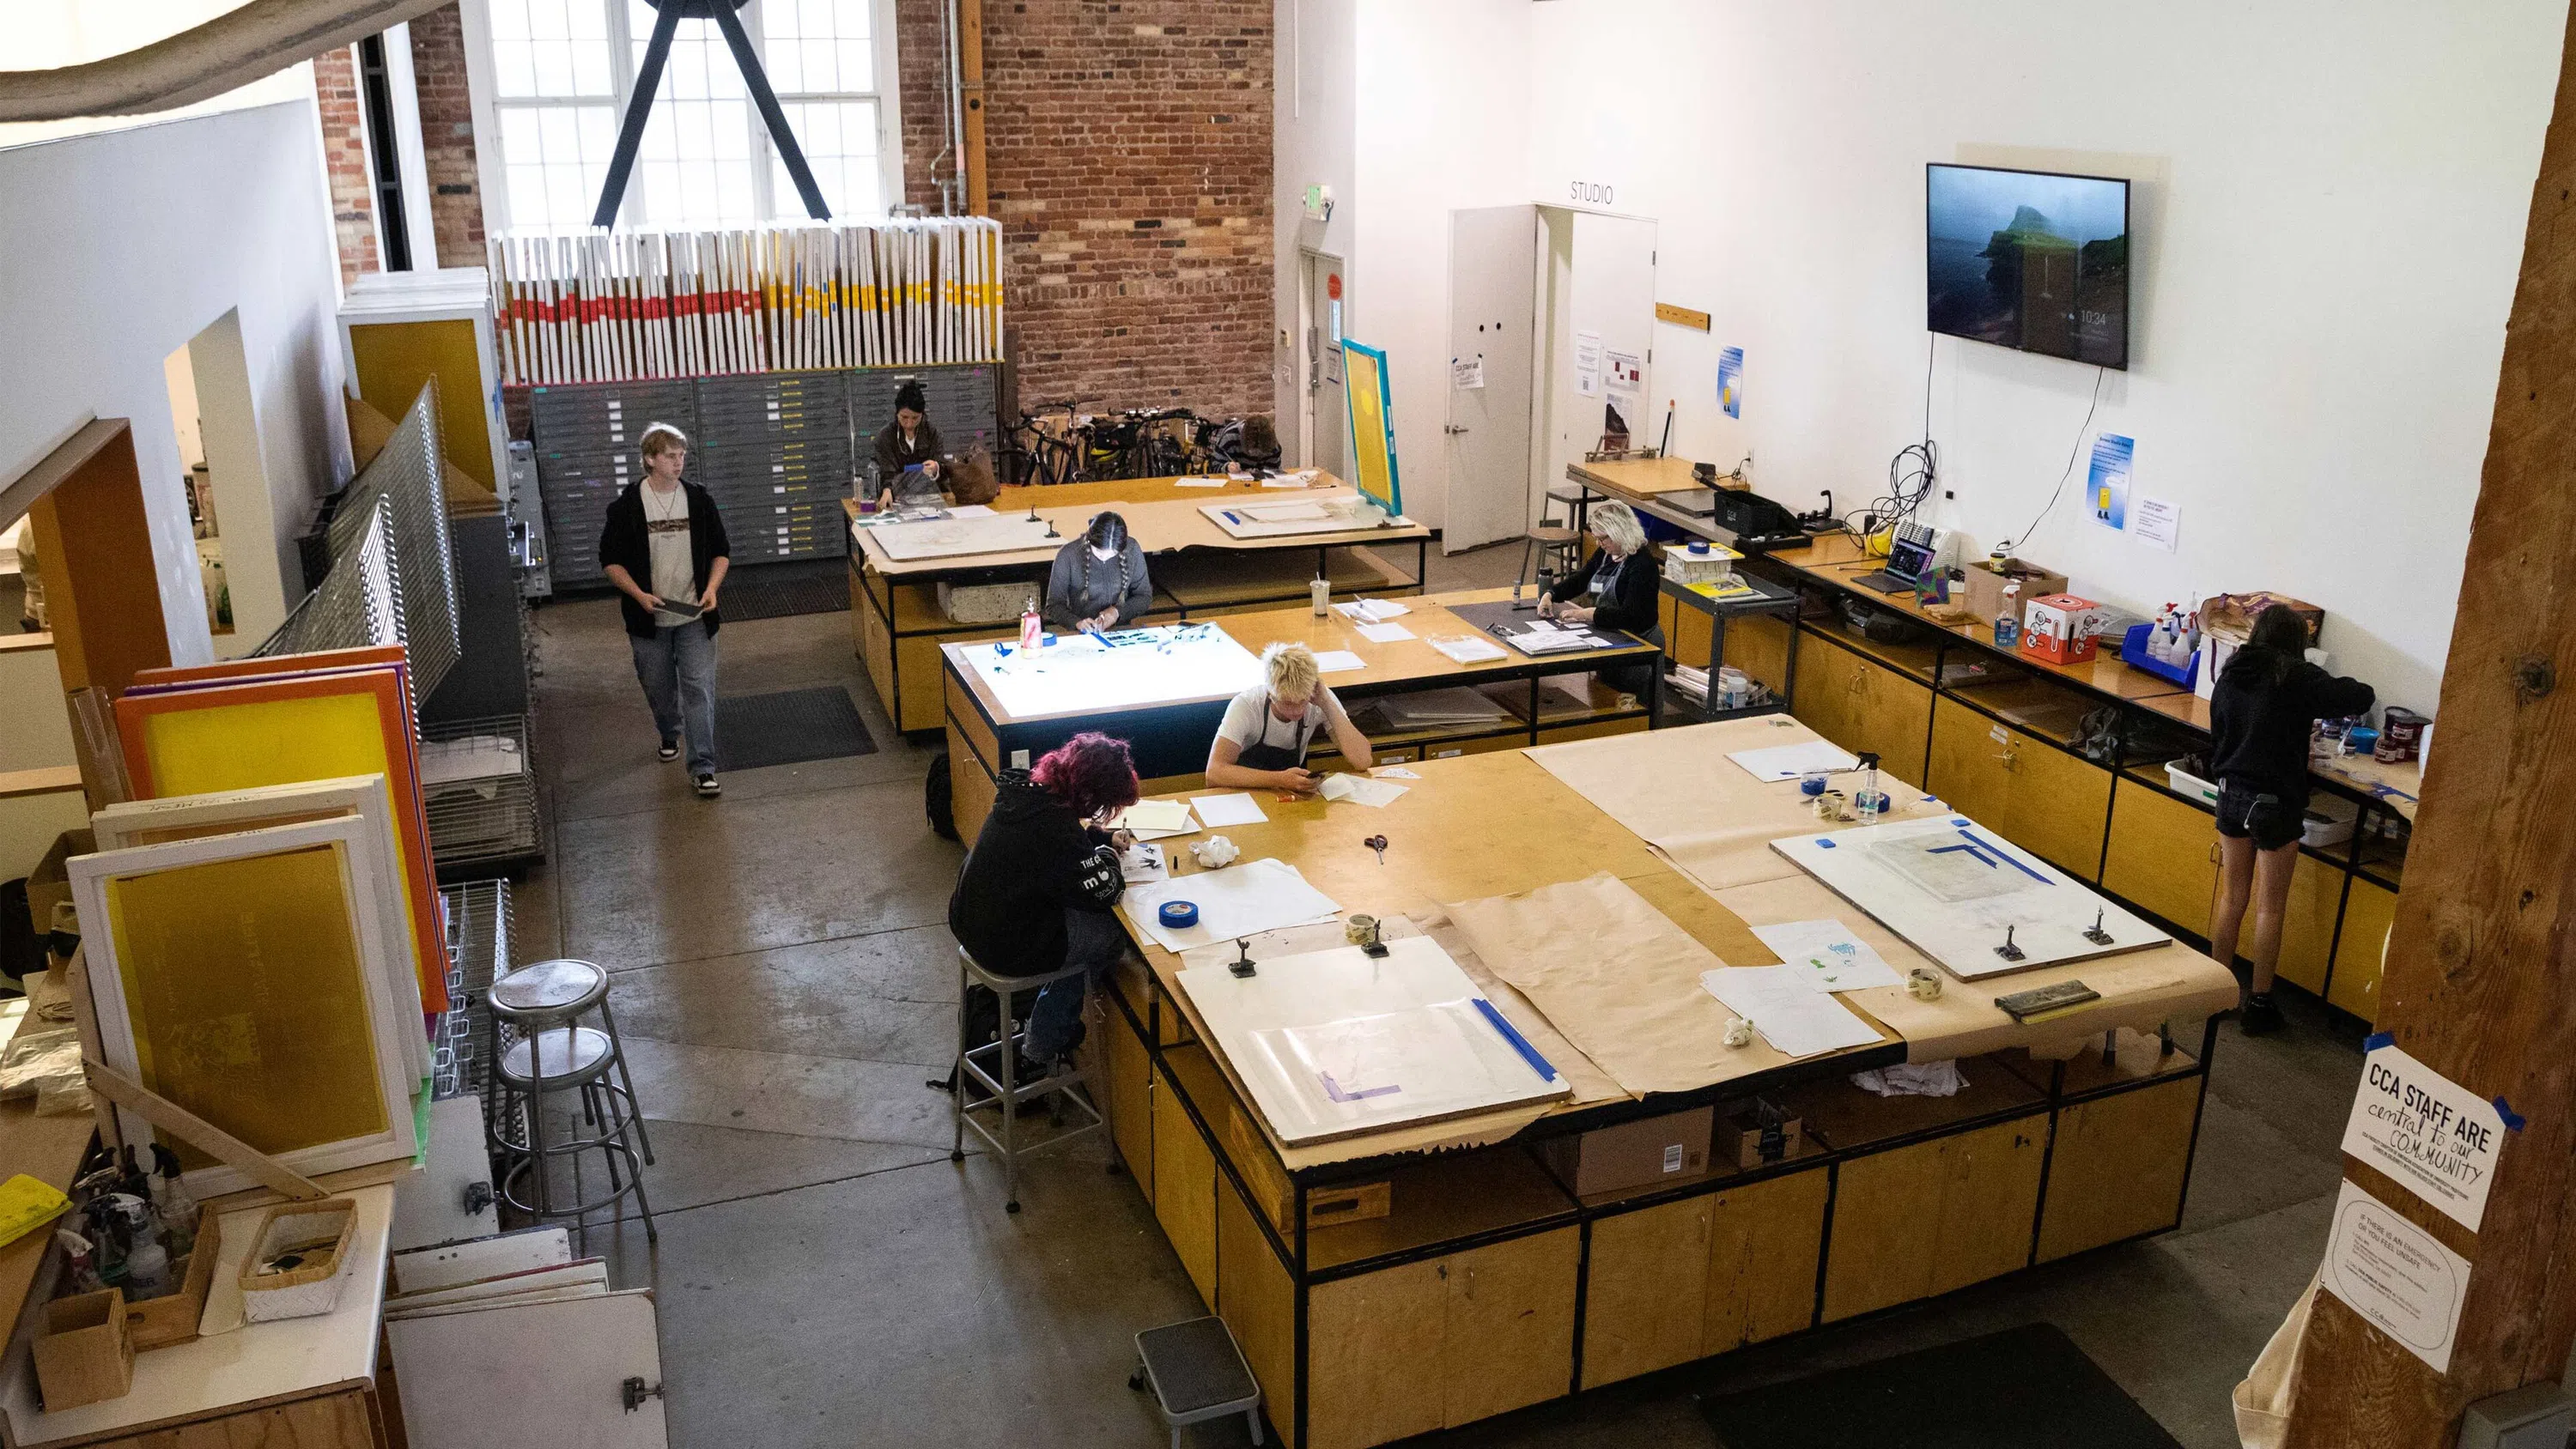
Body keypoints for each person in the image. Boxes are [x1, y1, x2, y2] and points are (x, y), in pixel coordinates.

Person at [2206, 603, 2373, 1035]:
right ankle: (2260, 1005)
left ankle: (2216, 992)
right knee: (2270, 906)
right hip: (2274, 803)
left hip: (2230, 794)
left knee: (2233, 898)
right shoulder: (2296, 676)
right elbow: (2360, 695)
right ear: (2299, 643)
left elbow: (2223, 732)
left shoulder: (2232, 670)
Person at [947, 732, 1140, 1071]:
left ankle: (1047, 1026)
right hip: (1006, 946)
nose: (1099, 813)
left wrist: (1099, 836)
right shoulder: (1054, 827)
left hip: (970, 921)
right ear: (1090, 793)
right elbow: (1107, 891)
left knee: (1075, 918)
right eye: (1102, 806)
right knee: (1109, 936)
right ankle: (1044, 1042)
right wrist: (1108, 854)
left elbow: (1063, 844)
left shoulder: (1027, 796)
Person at [600, 421, 731, 799]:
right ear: (650, 460)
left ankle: (703, 766)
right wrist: (638, 594)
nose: (679, 462)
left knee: (698, 689)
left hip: (693, 616)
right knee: (658, 686)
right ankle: (668, 731)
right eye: (671, 456)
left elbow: (722, 550)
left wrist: (711, 588)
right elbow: (610, 561)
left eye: (682, 456)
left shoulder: (698, 500)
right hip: (649, 618)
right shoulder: (626, 507)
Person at [1206, 641, 1372, 795]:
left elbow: (1362, 761)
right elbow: (1214, 772)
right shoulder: (1246, 706)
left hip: (1289, 794)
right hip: (1245, 796)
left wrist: (1327, 703)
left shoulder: (1319, 697)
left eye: (1303, 701)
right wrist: (1280, 779)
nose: (1298, 711)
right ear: (1271, 694)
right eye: (1288, 703)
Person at [1540, 499, 1665, 698]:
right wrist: (1552, 594)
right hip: (1609, 637)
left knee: (1634, 707)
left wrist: (1591, 614)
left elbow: (1633, 615)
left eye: (1603, 538)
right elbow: (1583, 577)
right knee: (1604, 697)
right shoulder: (1607, 553)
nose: (1599, 543)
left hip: (1638, 646)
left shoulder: (1642, 565)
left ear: (1619, 532)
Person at [1045, 512, 1153, 634]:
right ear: (1090, 540)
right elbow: (1054, 605)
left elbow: (1144, 596)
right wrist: (1077, 623)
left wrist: (1117, 612)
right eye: (1099, 551)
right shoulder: (1068, 554)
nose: (1104, 557)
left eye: (1113, 553)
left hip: (1123, 631)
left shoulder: (1132, 548)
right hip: (1082, 633)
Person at [872, 380, 945, 510]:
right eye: (904, 417)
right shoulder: (885, 436)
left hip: (928, 500)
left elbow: (944, 467)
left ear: (922, 414)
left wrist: (936, 468)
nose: (909, 424)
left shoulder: (933, 433)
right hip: (896, 499)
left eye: (915, 418)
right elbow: (887, 470)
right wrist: (887, 490)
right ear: (897, 413)